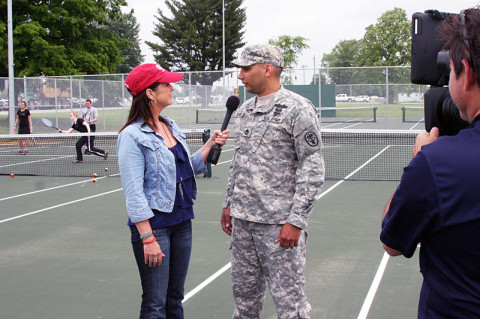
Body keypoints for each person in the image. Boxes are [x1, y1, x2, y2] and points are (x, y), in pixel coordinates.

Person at [380, 7, 480, 318]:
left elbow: (392, 242)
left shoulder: (437, 164)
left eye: (450, 71)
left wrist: (419, 160)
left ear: (467, 72)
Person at [220, 44, 325, 319]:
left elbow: (312, 167)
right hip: (243, 224)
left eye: (245, 68)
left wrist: (296, 221)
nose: (240, 76)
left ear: (267, 69)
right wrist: (228, 203)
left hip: (279, 226)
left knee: (290, 305)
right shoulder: (244, 111)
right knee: (244, 303)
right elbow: (239, 162)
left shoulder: (297, 109)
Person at [118, 63, 229, 319]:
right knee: (155, 304)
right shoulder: (132, 136)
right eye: (166, 84)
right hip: (155, 228)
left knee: (175, 299)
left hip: (182, 222)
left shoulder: (170, 125)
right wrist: (148, 238)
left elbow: (186, 168)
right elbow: (134, 193)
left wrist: (210, 144)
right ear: (149, 93)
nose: (172, 87)